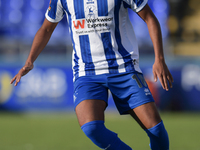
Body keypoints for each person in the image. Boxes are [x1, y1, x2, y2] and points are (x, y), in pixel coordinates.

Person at [10, 0, 173, 149]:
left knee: (156, 129)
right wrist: (30, 61)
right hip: (86, 72)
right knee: (91, 127)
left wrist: (159, 59)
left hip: (124, 68)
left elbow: (150, 18)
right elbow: (46, 28)